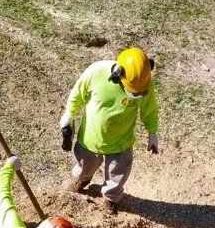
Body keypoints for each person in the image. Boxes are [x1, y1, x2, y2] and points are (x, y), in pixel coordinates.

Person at [59, 47, 160, 214]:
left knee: (117, 174)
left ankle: (110, 198)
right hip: (91, 138)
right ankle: (82, 181)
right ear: (117, 76)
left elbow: (150, 109)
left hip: (121, 142)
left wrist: (153, 132)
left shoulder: (144, 81)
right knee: (85, 165)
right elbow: (77, 94)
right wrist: (69, 115)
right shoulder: (96, 72)